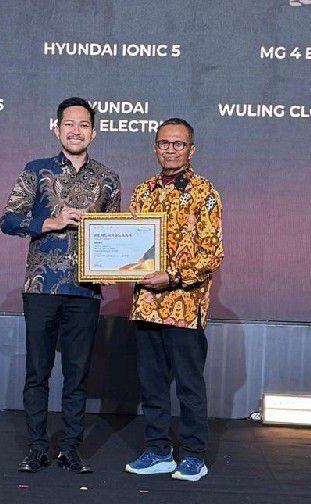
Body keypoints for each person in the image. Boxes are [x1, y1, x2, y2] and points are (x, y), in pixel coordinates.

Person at [1, 97, 121, 474]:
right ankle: (37, 448)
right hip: (41, 288)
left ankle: (70, 448)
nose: (76, 131)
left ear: (93, 133)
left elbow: (114, 235)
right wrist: (48, 223)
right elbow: (8, 220)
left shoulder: (108, 178)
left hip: (85, 291)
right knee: (37, 373)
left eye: (83, 125)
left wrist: (114, 267)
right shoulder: (36, 171)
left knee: (77, 374)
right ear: (57, 129)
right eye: (69, 124)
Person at [124, 118, 223, 482]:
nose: (170, 150)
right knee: (151, 386)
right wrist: (112, 265)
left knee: (189, 387)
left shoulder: (204, 192)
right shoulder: (142, 191)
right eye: (164, 143)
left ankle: (194, 455)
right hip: (146, 306)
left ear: (190, 150)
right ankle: (158, 451)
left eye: (178, 144)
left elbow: (212, 255)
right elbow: (130, 245)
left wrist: (173, 276)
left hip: (185, 306)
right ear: (155, 147)